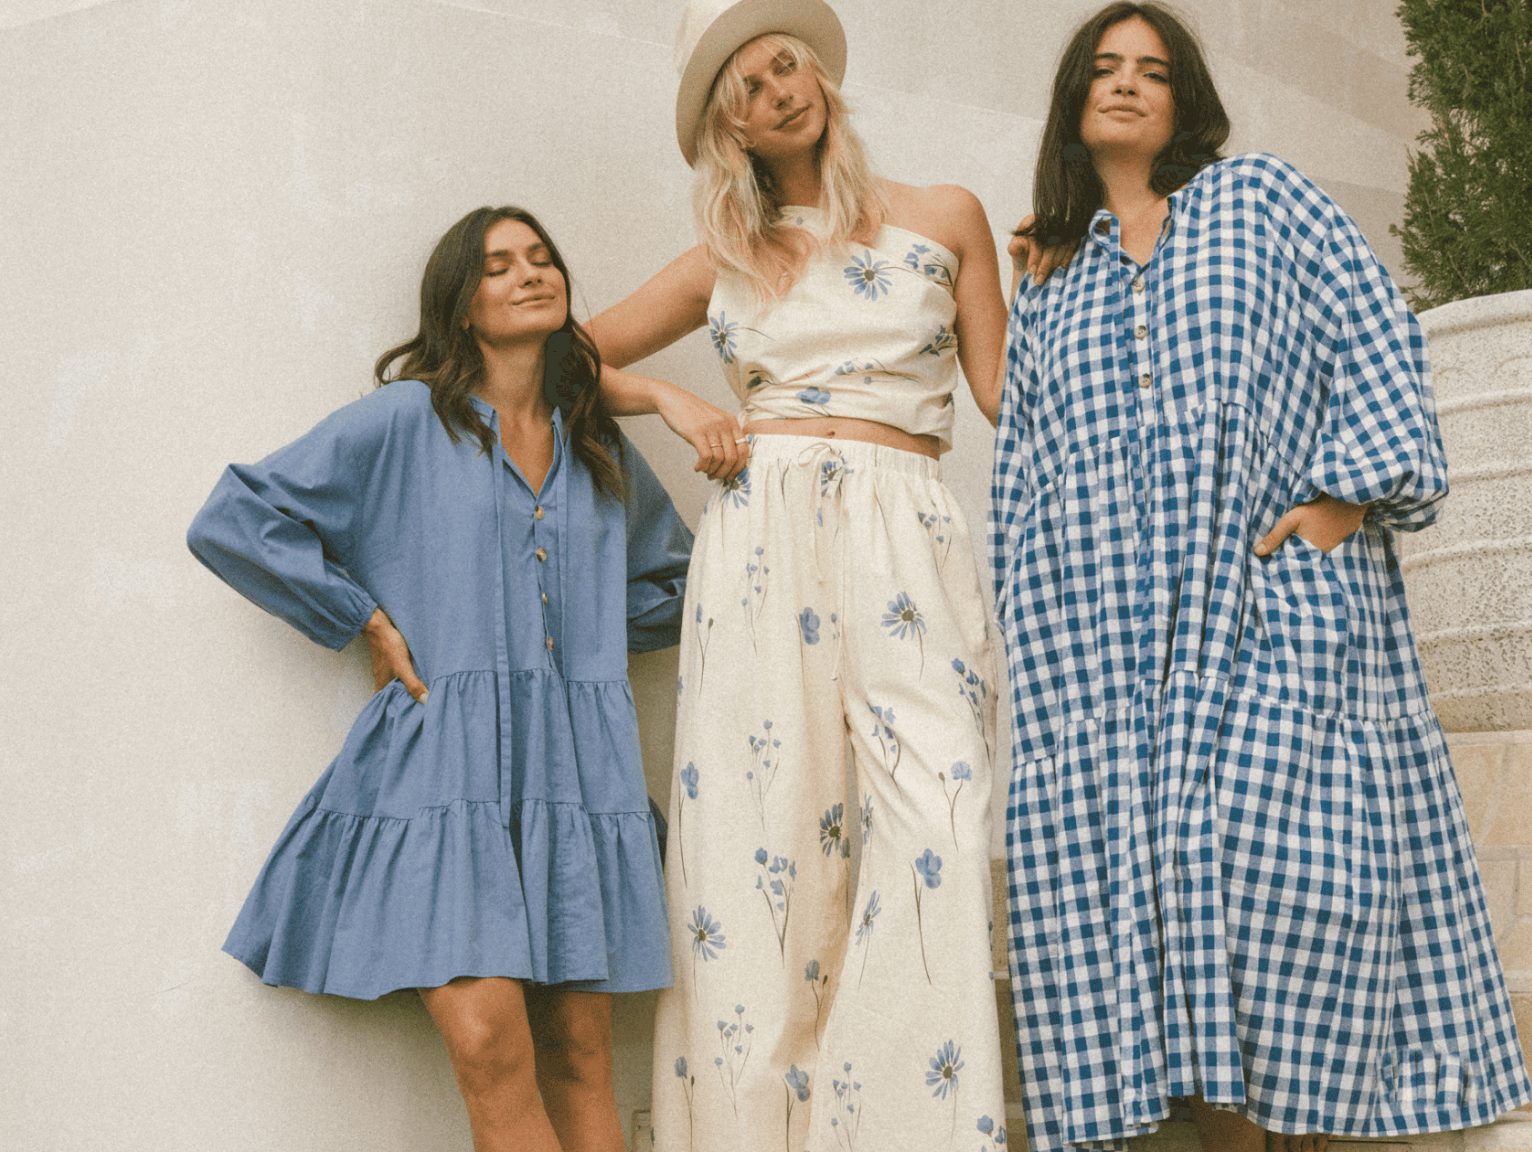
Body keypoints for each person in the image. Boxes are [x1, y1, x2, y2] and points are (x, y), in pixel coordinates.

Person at [991, 6, 1532, 1152]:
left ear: (1185, 98)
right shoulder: (1050, 274)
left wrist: (1341, 506)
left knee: (1283, 899)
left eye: (1154, 71)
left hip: (1267, 612)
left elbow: (1375, 329)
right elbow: (1026, 465)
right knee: (1147, 925)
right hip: (1108, 654)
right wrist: (1040, 657)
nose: (1128, 86)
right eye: (1105, 69)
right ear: (1071, 100)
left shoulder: (1261, 202)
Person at [587, 1, 1010, 1147]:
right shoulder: (723, 259)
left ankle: (888, 1124)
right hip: (761, 536)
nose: (780, 89)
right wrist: (673, 399)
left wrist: (1059, 283)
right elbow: (570, 355)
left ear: (813, 69)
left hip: (907, 530)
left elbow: (1004, 400)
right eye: (750, 90)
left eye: (785, 65)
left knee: (943, 810)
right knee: (761, 840)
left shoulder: (946, 217)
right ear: (736, 133)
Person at [186, 206, 693, 1152]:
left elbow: (677, 584)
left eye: (543, 257)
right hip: (440, 770)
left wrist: (574, 628)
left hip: (576, 777)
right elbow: (236, 516)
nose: (530, 274)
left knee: (584, 1055)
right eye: (499, 266)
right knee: (489, 1044)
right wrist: (363, 619)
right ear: (461, 304)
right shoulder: (406, 420)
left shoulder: (594, 443)